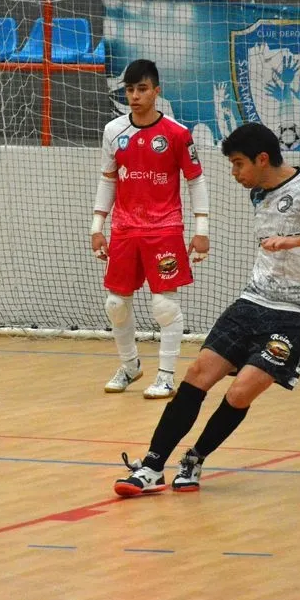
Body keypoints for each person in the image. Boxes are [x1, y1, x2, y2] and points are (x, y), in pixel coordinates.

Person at [114, 121, 300, 496]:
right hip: (252, 302)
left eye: (238, 164)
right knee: (198, 374)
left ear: (262, 158)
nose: (234, 173)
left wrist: (299, 246)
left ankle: (195, 458)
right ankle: (152, 467)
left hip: (299, 317)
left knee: (240, 392)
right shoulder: (258, 193)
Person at [91, 59, 211, 399]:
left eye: (142, 89)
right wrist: (97, 227)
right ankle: (130, 366)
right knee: (116, 304)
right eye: (129, 89)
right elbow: (108, 180)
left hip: (164, 229)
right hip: (125, 229)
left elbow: (195, 180)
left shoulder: (177, 133)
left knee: (164, 306)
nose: (135, 96)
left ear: (157, 91)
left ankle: (167, 377)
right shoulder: (113, 131)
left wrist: (201, 230)